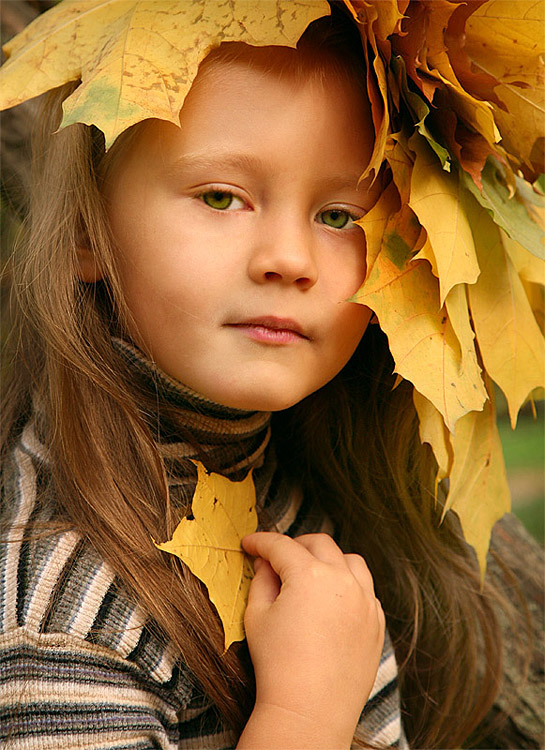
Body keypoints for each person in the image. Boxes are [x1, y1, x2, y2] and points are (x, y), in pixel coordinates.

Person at [0, 6, 537, 750]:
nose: (288, 257)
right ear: (88, 234)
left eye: (340, 216)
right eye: (221, 196)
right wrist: (304, 717)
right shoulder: (60, 613)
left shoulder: (300, 496)